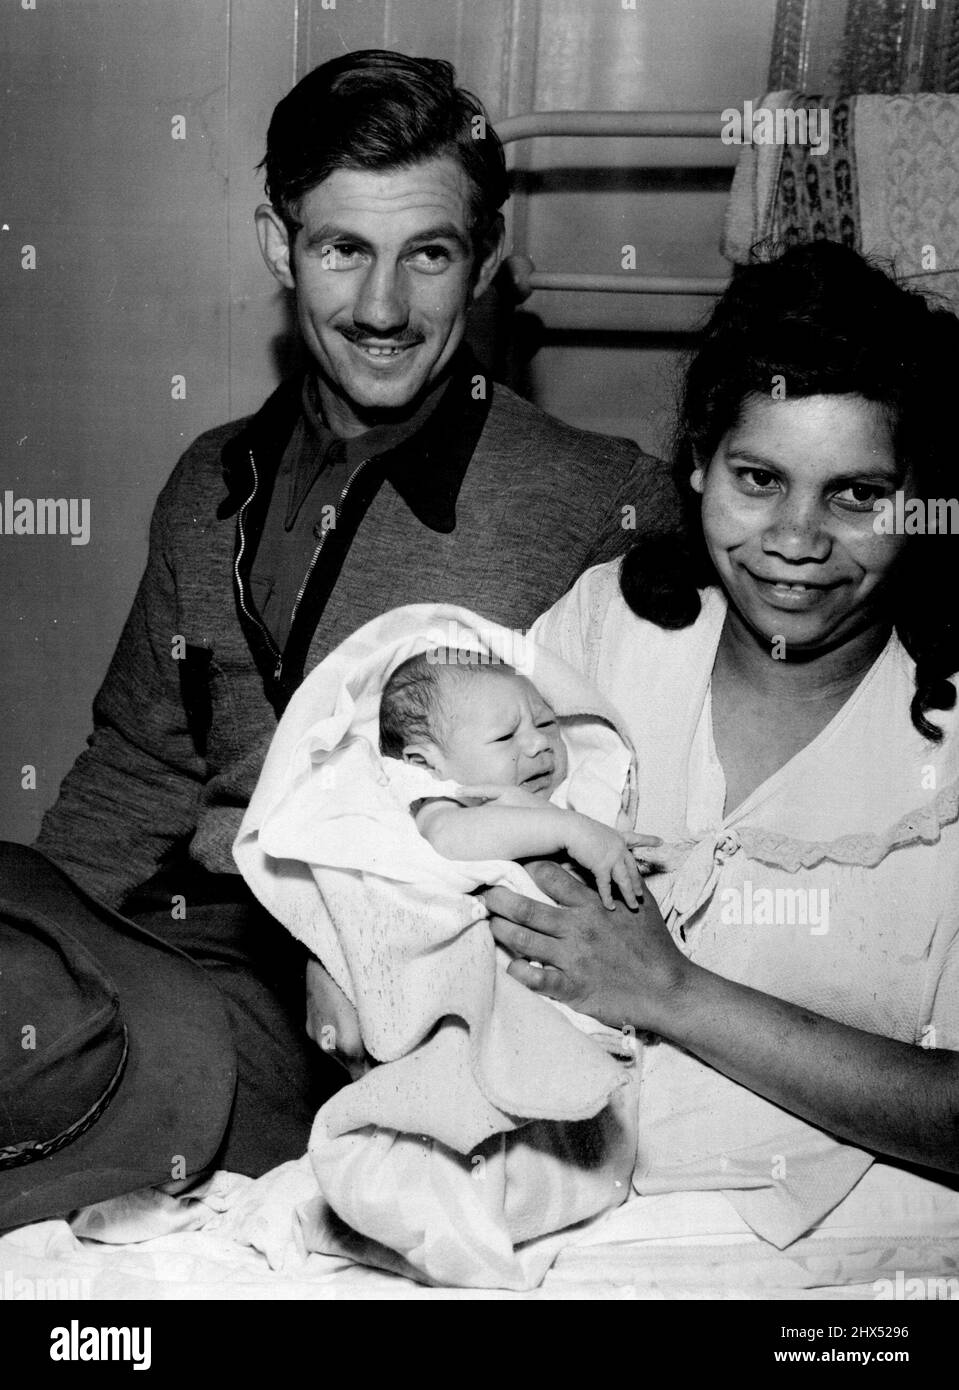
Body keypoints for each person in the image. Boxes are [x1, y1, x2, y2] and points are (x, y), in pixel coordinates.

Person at [18, 48, 678, 1191]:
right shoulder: (205, 482)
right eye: (341, 250)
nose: (382, 309)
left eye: (427, 254)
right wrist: (29, 954)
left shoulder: (598, 501)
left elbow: (626, 809)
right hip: (206, 944)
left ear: (484, 261)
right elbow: (136, 767)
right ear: (280, 247)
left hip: (436, 984)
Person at [315, 241, 959, 1251]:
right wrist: (343, 947)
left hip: (851, 1243)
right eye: (757, 479)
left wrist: (675, 993)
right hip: (537, 1195)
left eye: (854, 495)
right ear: (697, 462)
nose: (795, 538)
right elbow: (409, 800)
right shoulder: (607, 632)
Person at [379, 649, 651, 908]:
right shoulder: (441, 801)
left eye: (545, 723)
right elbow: (445, 836)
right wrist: (570, 829)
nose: (539, 742)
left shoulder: (576, 792)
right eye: (505, 736)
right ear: (425, 764)